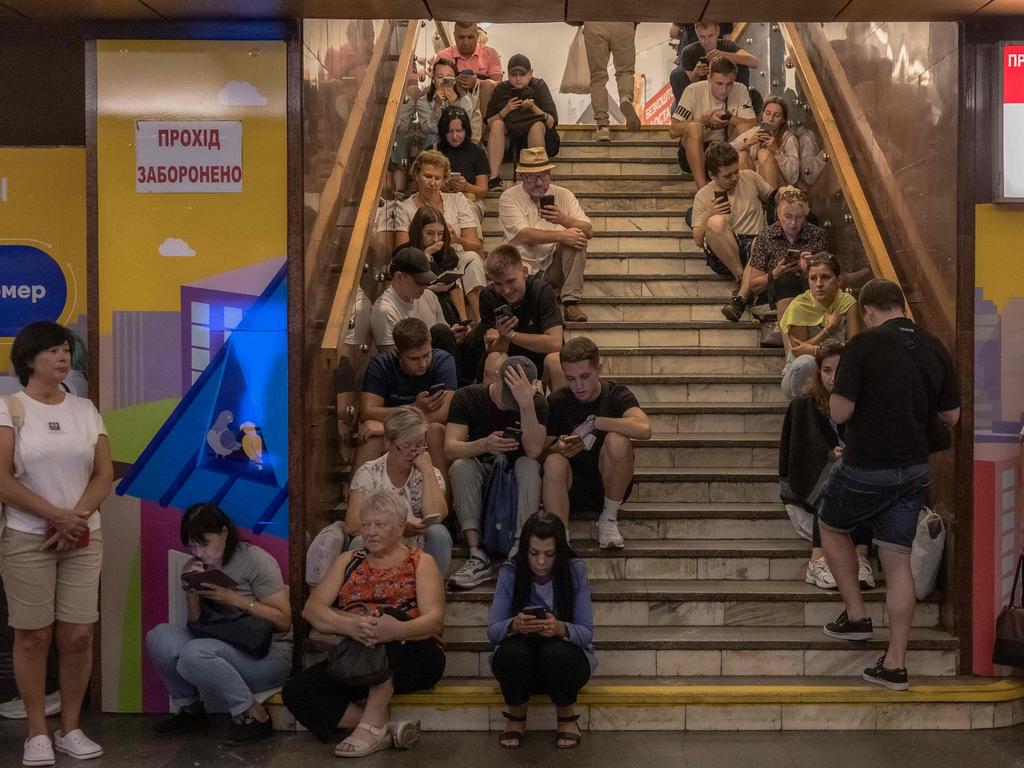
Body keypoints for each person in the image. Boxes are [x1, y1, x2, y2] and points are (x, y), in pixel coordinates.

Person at [818, 279, 960, 691]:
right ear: (902, 305)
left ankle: (857, 617)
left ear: (868, 312)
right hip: (915, 468)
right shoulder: (935, 346)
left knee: (830, 524)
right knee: (897, 560)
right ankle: (895, 664)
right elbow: (951, 415)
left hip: (866, 465)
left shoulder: (863, 345)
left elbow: (841, 413)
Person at [0, 321, 113, 766]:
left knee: (79, 634)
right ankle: (36, 731)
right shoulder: (10, 407)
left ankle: (71, 727)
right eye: (52, 351)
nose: (63, 358)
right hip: (29, 536)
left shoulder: (85, 409)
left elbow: (103, 474)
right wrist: (54, 516)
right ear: (30, 360)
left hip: (84, 534)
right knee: (32, 636)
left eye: (66, 350)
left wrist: (75, 517)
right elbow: (2, 479)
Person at [283, 489, 445, 756]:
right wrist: (351, 627)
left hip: (414, 655)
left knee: (385, 621)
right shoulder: (348, 560)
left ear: (400, 527)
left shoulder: (421, 562)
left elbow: (434, 622)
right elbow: (312, 610)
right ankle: (383, 728)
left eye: (379, 525)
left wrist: (396, 630)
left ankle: (369, 726)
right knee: (298, 690)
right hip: (356, 653)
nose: (370, 532)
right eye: (366, 524)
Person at [146, 504, 293, 745]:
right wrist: (192, 591)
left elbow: (284, 621)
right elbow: (195, 624)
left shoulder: (254, 559)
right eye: (191, 546)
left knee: (194, 653)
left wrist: (235, 599)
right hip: (218, 644)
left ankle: (253, 715)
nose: (199, 552)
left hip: (267, 654)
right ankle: (191, 710)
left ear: (224, 533)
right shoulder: (194, 566)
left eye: (204, 544)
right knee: (159, 636)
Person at [488, 514, 594, 750]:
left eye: (550, 554)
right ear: (524, 550)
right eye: (534, 553)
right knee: (513, 650)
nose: (542, 562)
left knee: (556, 651)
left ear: (560, 553)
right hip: (522, 665)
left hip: (564, 665)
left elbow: (586, 632)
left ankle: (566, 717)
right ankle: (516, 716)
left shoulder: (575, 570)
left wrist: (560, 628)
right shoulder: (511, 572)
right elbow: (493, 631)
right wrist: (514, 625)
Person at [445, 356, 548, 589]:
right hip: (481, 475)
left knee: (530, 465)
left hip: (515, 481)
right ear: (497, 378)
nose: (509, 403)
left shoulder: (536, 403)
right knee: (461, 466)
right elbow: (450, 449)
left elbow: (533, 450)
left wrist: (526, 405)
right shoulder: (468, 397)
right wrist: (483, 445)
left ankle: (519, 549)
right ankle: (477, 554)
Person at [778, 342, 874, 590]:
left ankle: (860, 556)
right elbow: (802, 456)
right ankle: (817, 558)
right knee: (836, 475)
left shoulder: (864, 402)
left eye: (839, 370)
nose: (833, 378)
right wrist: (831, 455)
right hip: (812, 499)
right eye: (827, 370)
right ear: (819, 373)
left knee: (861, 473)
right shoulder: (804, 405)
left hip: (856, 491)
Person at [543, 338, 651, 549]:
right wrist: (558, 448)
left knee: (617, 439)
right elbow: (539, 452)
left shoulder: (616, 394)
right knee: (553, 461)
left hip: (611, 483)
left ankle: (609, 520)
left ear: (599, 369)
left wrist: (596, 423)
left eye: (585, 376)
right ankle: (560, 537)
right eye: (571, 379)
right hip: (571, 486)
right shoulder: (558, 401)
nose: (578, 386)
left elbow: (644, 428)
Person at [345, 407, 453, 578]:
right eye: (406, 445)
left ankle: (433, 591)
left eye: (419, 445)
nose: (413, 451)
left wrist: (426, 470)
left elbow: (437, 515)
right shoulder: (369, 472)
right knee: (359, 541)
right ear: (388, 443)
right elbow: (352, 524)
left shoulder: (430, 473)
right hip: (382, 541)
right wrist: (398, 524)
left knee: (439, 533)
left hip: (418, 546)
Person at [383, 150, 486, 319]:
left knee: (472, 260)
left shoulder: (458, 200)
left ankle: (480, 321)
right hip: (423, 260)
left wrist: (455, 239)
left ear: (444, 180)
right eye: (427, 176)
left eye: (437, 178)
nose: (432, 183)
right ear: (416, 175)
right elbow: (402, 251)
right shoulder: (404, 207)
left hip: (456, 254)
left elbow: (476, 246)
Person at [498, 147, 592, 322]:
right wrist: (560, 236)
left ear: (550, 174)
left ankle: (571, 302)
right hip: (523, 268)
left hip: (553, 266)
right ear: (522, 177)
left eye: (543, 176)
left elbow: (589, 230)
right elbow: (525, 234)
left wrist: (564, 220)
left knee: (577, 235)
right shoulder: (508, 197)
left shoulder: (563, 194)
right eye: (532, 177)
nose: (539, 183)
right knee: (568, 236)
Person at [352, 318, 457, 475]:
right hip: (395, 436)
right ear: (399, 354)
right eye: (414, 359)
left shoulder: (443, 361)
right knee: (370, 436)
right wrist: (414, 407)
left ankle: (442, 498)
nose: (422, 363)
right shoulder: (381, 365)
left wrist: (386, 428)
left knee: (436, 431)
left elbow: (442, 415)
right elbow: (368, 411)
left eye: (426, 355)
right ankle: (357, 496)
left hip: (421, 431)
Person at [721, 186, 828, 323]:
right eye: (788, 216)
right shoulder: (766, 237)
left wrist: (810, 269)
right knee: (786, 281)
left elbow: (828, 276)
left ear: (806, 215)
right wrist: (774, 274)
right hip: (775, 295)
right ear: (778, 214)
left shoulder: (817, 235)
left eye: (799, 217)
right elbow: (755, 285)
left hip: (808, 291)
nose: (793, 223)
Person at [468, 245, 564, 389]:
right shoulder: (488, 296)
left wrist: (510, 335)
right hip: (508, 358)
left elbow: (555, 343)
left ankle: (561, 410)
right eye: (498, 284)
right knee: (494, 360)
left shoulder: (542, 291)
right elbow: (491, 348)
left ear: (524, 272)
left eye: (511, 281)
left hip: (541, 360)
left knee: (556, 361)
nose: (505, 290)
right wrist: (504, 338)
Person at [779, 252, 863, 401]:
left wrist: (815, 349)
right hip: (800, 375)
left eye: (825, 277)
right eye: (813, 278)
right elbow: (799, 351)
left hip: (835, 368)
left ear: (838, 280)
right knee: (807, 362)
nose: (819, 284)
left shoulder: (847, 302)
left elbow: (854, 347)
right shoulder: (799, 305)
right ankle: (803, 412)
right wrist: (828, 329)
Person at [690, 141, 774, 281]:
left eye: (736, 172)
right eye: (728, 176)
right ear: (712, 175)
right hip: (724, 251)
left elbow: (773, 196)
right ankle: (741, 277)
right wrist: (708, 215)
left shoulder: (750, 177)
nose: (734, 178)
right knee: (715, 222)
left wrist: (784, 191)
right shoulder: (703, 195)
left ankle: (745, 286)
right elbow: (698, 241)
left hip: (754, 244)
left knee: (758, 242)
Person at [670, 58, 755, 186]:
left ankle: (744, 192)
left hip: (726, 149)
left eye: (729, 84)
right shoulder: (693, 90)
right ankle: (703, 190)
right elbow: (673, 130)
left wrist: (728, 118)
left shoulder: (740, 89)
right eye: (719, 84)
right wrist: (703, 120)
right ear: (709, 78)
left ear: (734, 79)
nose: (724, 90)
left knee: (744, 128)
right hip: (696, 150)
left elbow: (752, 126)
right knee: (694, 127)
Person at [369, 246, 465, 356]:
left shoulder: (429, 296)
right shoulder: (384, 310)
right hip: (412, 365)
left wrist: (452, 336)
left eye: (426, 282)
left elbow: (443, 333)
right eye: (419, 282)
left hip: (437, 360)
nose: (424, 287)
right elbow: (393, 360)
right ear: (399, 276)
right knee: (440, 332)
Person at [485, 54, 559, 191]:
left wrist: (533, 108)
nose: (518, 78)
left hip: (535, 136)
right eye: (514, 74)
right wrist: (506, 110)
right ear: (508, 74)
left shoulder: (539, 86)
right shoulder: (501, 88)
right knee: (497, 124)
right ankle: (493, 177)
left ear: (531, 73)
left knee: (537, 126)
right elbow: (489, 122)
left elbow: (551, 122)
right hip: (509, 140)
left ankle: (537, 176)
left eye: (522, 74)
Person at [408, 205, 479, 325]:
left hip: (446, 300)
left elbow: (444, 281)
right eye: (429, 233)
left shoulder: (448, 252)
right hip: (416, 304)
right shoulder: (406, 253)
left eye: (440, 234)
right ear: (418, 232)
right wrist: (427, 255)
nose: (436, 239)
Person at [436, 21, 504, 139]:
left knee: (488, 85)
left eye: (470, 37)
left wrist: (477, 83)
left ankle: (478, 136)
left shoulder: (490, 53)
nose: (466, 42)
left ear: (477, 36)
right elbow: (437, 84)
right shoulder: (444, 55)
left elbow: (499, 86)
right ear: (454, 36)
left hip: (483, 100)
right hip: (454, 98)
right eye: (461, 37)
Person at [581, 22, 641, 140]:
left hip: (595, 24)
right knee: (625, 71)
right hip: (623, 22)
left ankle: (603, 127)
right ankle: (625, 98)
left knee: (598, 77)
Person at [436, 106, 490, 225]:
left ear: (466, 131)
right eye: (450, 132)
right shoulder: (433, 152)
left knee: (466, 213)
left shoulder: (478, 153)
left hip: (469, 200)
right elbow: (419, 185)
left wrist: (466, 187)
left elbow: (483, 190)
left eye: (459, 131)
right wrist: (440, 185)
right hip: (438, 200)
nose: (455, 136)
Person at [406, 58, 473, 152]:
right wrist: (437, 106)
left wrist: (453, 108)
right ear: (433, 79)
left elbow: (464, 129)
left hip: (458, 142)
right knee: (431, 138)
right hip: (434, 141)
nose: (443, 81)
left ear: (454, 80)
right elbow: (428, 130)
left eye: (449, 77)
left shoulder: (465, 100)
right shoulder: (423, 101)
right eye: (440, 77)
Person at [731, 96, 799, 187]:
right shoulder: (756, 131)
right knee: (742, 156)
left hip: (781, 188)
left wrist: (777, 152)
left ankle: (770, 200)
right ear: (762, 115)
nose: (770, 119)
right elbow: (727, 150)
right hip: (757, 185)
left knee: (764, 153)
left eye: (777, 115)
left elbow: (793, 177)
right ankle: (749, 197)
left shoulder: (789, 139)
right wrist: (746, 143)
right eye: (767, 113)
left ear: (783, 120)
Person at [679, 21, 757, 89]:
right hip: (702, 96)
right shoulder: (689, 52)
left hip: (730, 93)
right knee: (676, 75)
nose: (707, 41)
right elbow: (686, 88)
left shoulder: (727, 45)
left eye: (710, 36)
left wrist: (725, 55)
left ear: (718, 32)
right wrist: (696, 74)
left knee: (742, 67)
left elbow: (754, 62)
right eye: (702, 37)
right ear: (697, 33)